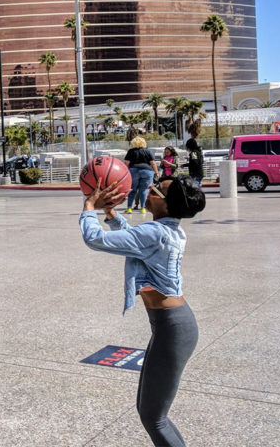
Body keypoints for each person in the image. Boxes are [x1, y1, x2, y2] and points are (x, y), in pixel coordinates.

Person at [80, 175, 207, 447]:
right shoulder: (166, 228)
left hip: (173, 329)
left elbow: (94, 239)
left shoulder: (156, 232)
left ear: (165, 204)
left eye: (155, 190)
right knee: (148, 410)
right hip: (170, 326)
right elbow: (133, 239)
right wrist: (111, 213)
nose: (148, 191)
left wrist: (89, 206)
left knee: (154, 417)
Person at [124, 136, 159, 214]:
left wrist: (125, 172)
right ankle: (143, 208)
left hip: (134, 171)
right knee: (143, 190)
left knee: (132, 190)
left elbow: (126, 163)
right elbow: (153, 163)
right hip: (147, 171)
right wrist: (156, 173)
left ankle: (129, 208)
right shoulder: (148, 151)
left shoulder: (131, 151)